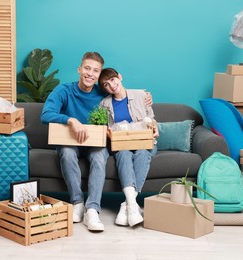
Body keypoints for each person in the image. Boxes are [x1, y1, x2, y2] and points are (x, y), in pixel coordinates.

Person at [41, 52, 109, 232]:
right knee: (67, 152)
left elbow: (123, 98)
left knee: (99, 156)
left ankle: (92, 209)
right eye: (87, 68)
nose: (90, 74)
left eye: (95, 71)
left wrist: (145, 97)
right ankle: (77, 202)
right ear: (80, 70)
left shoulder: (103, 94)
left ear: (99, 75)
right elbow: (45, 114)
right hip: (70, 142)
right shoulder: (64, 90)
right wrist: (70, 120)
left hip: (94, 144)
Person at [98, 67, 159, 227]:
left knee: (143, 153)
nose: (111, 85)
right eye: (106, 84)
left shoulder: (141, 95)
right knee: (123, 154)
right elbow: (104, 129)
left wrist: (154, 127)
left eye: (112, 79)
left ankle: (127, 204)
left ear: (119, 76)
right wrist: (108, 134)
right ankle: (132, 205)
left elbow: (151, 119)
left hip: (144, 142)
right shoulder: (104, 104)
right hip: (121, 144)